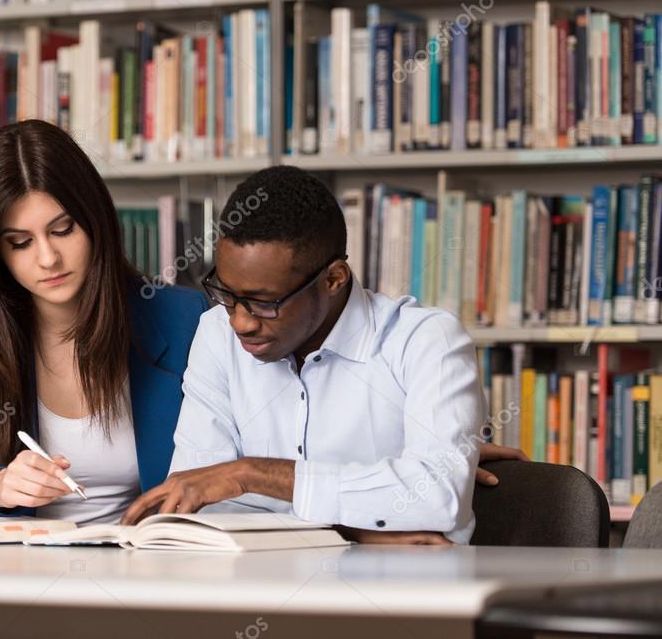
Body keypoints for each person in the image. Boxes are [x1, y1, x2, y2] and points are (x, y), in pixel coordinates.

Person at [121, 166, 525, 544]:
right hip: (258, 593)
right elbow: (200, 507)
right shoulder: (216, 335)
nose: (240, 322)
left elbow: (435, 497)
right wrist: (356, 530)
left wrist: (248, 474)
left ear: (333, 279)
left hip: (406, 599)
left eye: (264, 302)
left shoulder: (427, 341)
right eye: (227, 294)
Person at [0, 120, 208, 524]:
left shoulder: (182, 318)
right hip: (18, 573)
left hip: (149, 569)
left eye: (62, 230)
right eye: (20, 243)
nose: (48, 258)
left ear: (96, 221)